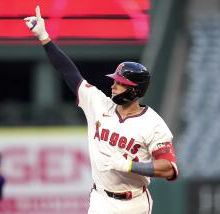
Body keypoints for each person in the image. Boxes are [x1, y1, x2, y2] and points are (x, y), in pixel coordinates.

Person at [24, 6, 178, 214]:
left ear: (135, 90)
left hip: (136, 202)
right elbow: (69, 72)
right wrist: (44, 37)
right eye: (115, 81)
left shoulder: (153, 124)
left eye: (120, 83)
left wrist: (130, 166)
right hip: (102, 200)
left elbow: (168, 168)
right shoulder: (98, 104)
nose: (113, 85)